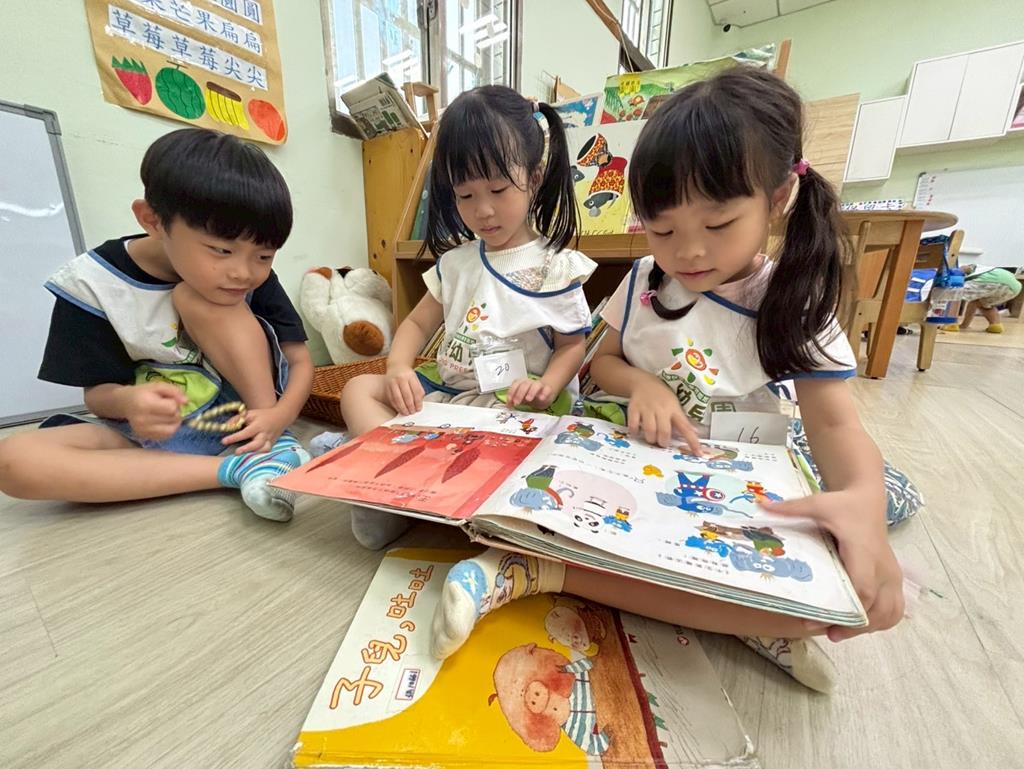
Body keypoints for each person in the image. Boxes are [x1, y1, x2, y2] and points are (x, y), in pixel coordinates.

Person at [429, 67, 905, 694]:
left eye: (718, 225)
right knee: (558, 505)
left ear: (779, 199)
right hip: (637, 462)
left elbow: (837, 424)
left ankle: (731, 612)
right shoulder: (645, 283)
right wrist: (642, 386)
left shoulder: (794, 296)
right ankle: (533, 570)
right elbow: (600, 362)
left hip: (733, 477)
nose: (689, 252)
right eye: (663, 229)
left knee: (839, 599)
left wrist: (864, 499)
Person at [0, 128, 312, 522]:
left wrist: (276, 419)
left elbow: (300, 361)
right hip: (154, 431)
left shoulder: (246, 277)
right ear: (152, 220)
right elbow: (97, 394)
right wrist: (129, 403)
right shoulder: (93, 284)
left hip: (247, 421)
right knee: (14, 461)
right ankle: (233, 470)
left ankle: (271, 449)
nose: (244, 272)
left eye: (264, 255)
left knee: (197, 297)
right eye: (221, 250)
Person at [338, 85, 601, 550]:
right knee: (358, 388)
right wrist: (398, 367)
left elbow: (572, 346)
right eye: (465, 195)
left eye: (498, 190)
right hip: (449, 399)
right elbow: (416, 325)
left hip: (514, 411)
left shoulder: (555, 266)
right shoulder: (456, 263)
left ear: (535, 177)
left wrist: (548, 386)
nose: (483, 210)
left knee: (541, 469)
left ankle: (404, 488)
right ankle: (408, 487)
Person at [949, 264, 1022, 333]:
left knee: (955, 293)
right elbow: (973, 304)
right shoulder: (985, 269)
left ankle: (950, 323)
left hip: (990, 280)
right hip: (1014, 287)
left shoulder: (974, 267)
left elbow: (964, 268)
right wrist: (964, 325)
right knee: (984, 304)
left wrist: (956, 273)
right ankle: (995, 325)